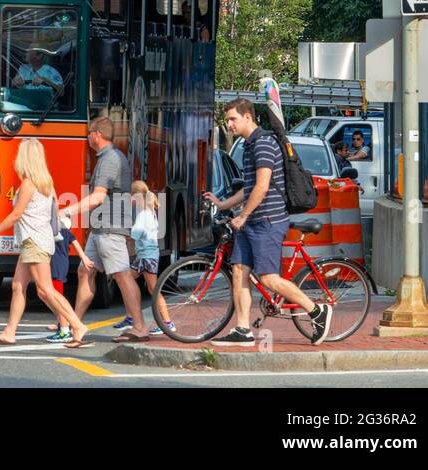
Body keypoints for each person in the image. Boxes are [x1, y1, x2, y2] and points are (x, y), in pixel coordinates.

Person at [203, 99, 332, 346]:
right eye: (228, 120)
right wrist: (223, 204)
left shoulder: (263, 144)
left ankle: (317, 311)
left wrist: (243, 215)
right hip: (252, 221)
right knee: (239, 271)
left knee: (268, 278)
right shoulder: (249, 145)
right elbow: (249, 188)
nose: (229, 124)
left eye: (232, 119)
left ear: (248, 117)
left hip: (267, 221)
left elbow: (262, 187)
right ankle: (243, 330)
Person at [0, 139, 90, 348]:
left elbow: (17, 214)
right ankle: (9, 331)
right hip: (37, 240)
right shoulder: (46, 183)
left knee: (45, 289)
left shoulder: (29, 184)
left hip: (34, 241)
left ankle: (77, 325)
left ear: (25, 158)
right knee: (18, 286)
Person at [60, 116, 149, 342]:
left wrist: (67, 211)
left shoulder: (110, 159)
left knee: (122, 275)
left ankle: (140, 327)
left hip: (111, 228)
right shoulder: (107, 157)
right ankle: (76, 325)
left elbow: (98, 197)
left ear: (97, 135)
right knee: (85, 271)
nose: (87, 136)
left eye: (89, 132)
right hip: (101, 228)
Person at [124, 181, 173, 336]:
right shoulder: (149, 212)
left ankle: (168, 323)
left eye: (131, 196)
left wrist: (123, 235)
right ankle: (130, 317)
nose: (130, 199)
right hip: (145, 256)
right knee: (126, 280)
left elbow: (136, 234)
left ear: (137, 196)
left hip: (147, 257)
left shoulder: (143, 214)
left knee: (154, 289)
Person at [44, 218, 91, 342]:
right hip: (62, 265)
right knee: (55, 297)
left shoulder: (53, 229)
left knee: (56, 299)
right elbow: (76, 244)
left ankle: (64, 330)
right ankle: (62, 325)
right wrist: (84, 258)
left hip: (55, 266)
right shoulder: (67, 232)